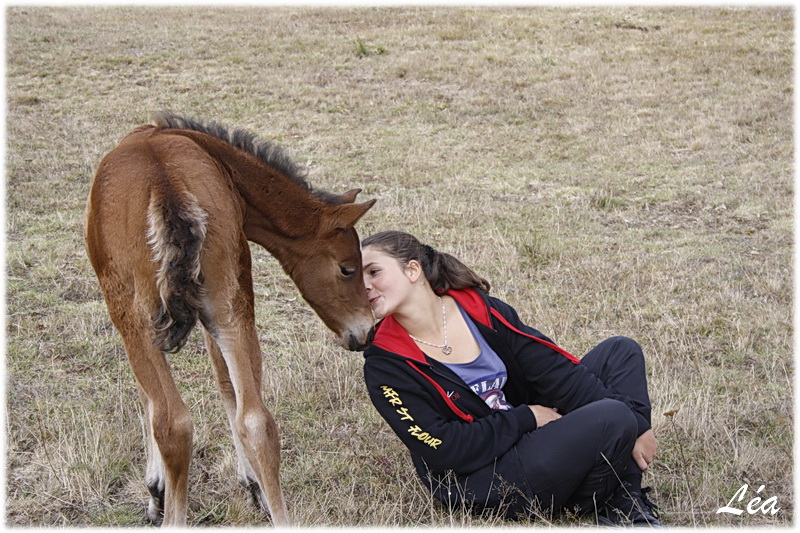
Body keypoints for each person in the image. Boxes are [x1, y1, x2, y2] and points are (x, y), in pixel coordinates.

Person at [360, 230, 663, 526]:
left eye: (374, 272)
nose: (364, 286)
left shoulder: (481, 311)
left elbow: (556, 371)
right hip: (487, 477)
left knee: (620, 352)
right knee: (612, 416)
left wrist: (638, 425)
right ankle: (620, 502)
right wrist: (525, 418)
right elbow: (442, 448)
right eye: (357, 278)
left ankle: (624, 498)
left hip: (538, 440)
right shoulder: (386, 362)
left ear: (412, 270)